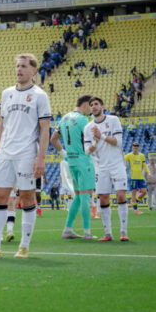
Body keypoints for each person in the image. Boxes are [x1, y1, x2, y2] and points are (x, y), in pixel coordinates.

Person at [0, 54, 51, 259]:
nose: (19, 69)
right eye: (17, 66)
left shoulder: (40, 95)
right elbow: (2, 125)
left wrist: (41, 157)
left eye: (24, 66)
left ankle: (24, 247)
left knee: (26, 197)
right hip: (5, 153)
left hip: (26, 152)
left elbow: (45, 128)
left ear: (33, 70)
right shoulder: (7, 93)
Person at [84, 97, 130, 241]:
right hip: (101, 167)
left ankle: (123, 232)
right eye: (91, 105)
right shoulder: (88, 128)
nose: (93, 106)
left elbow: (119, 142)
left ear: (102, 106)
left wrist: (101, 136)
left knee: (121, 195)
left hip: (117, 164)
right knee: (103, 198)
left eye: (96, 104)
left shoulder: (113, 120)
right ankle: (108, 233)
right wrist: (96, 142)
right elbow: (87, 152)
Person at [51, 94, 96, 240]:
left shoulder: (64, 118)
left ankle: (68, 229)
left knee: (77, 196)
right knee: (85, 196)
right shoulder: (83, 120)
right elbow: (93, 140)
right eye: (91, 106)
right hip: (84, 161)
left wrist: (63, 154)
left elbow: (53, 139)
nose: (91, 110)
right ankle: (87, 232)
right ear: (85, 105)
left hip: (71, 162)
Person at [124, 143, 149, 214]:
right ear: (132, 147)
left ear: (138, 148)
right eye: (134, 147)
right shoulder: (129, 155)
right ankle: (135, 209)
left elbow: (144, 165)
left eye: (136, 147)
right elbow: (122, 160)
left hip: (140, 177)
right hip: (133, 177)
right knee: (134, 193)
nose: (135, 148)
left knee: (144, 192)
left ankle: (135, 202)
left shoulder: (142, 155)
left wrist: (148, 172)